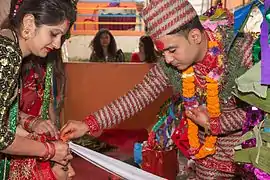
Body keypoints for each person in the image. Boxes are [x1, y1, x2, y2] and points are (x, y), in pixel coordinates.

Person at [61, 0, 256, 179]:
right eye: (163, 53)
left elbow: (262, 112)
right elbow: (139, 96)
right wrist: (88, 124)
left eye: (172, 50)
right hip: (205, 163)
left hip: (250, 159)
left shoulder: (243, 53)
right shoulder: (171, 65)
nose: (168, 59)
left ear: (195, 36)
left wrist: (217, 123)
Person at [0, 0, 77, 178]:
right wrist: (48, 150)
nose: (57, 45)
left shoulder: (8, 46)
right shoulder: (7, 54)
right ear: (29, 23)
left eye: (61, 37)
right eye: (53, 34)